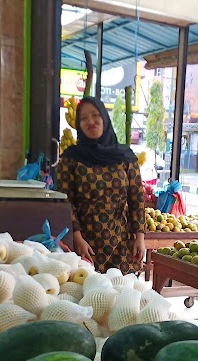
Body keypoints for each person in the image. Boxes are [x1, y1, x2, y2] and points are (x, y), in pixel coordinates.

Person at [56, 97, 145, 275]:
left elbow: (136, 198)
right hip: (85, 244)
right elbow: (66, 200)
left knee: (122, 296)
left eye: (95, 115)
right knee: (85, 293)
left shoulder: (125, 157)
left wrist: (140, 237)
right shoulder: (71, 158)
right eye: (83, 118)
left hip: (120, 242)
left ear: (104, 118)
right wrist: (76, 237)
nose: (90, 122)